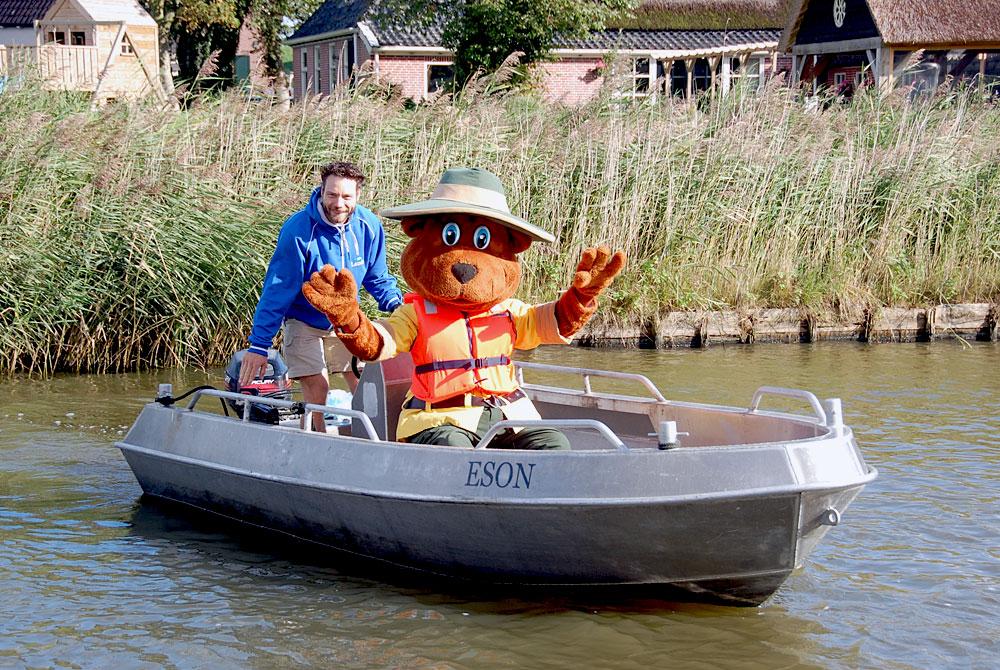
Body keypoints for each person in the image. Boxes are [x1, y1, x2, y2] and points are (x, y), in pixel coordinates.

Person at [239, 161, 403, 431]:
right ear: (322, 190)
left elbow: (377, 278)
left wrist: (398, 307)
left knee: (365, 379)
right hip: (303, 321)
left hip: (346, 318)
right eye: (332, 195)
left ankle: (376, 438)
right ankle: (317, 438)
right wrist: (259, 345)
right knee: (320, 387)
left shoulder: (369, 226)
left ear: (357, 196)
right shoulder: (298, 230)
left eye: (346, 196)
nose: (339, 203)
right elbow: (277, 289)